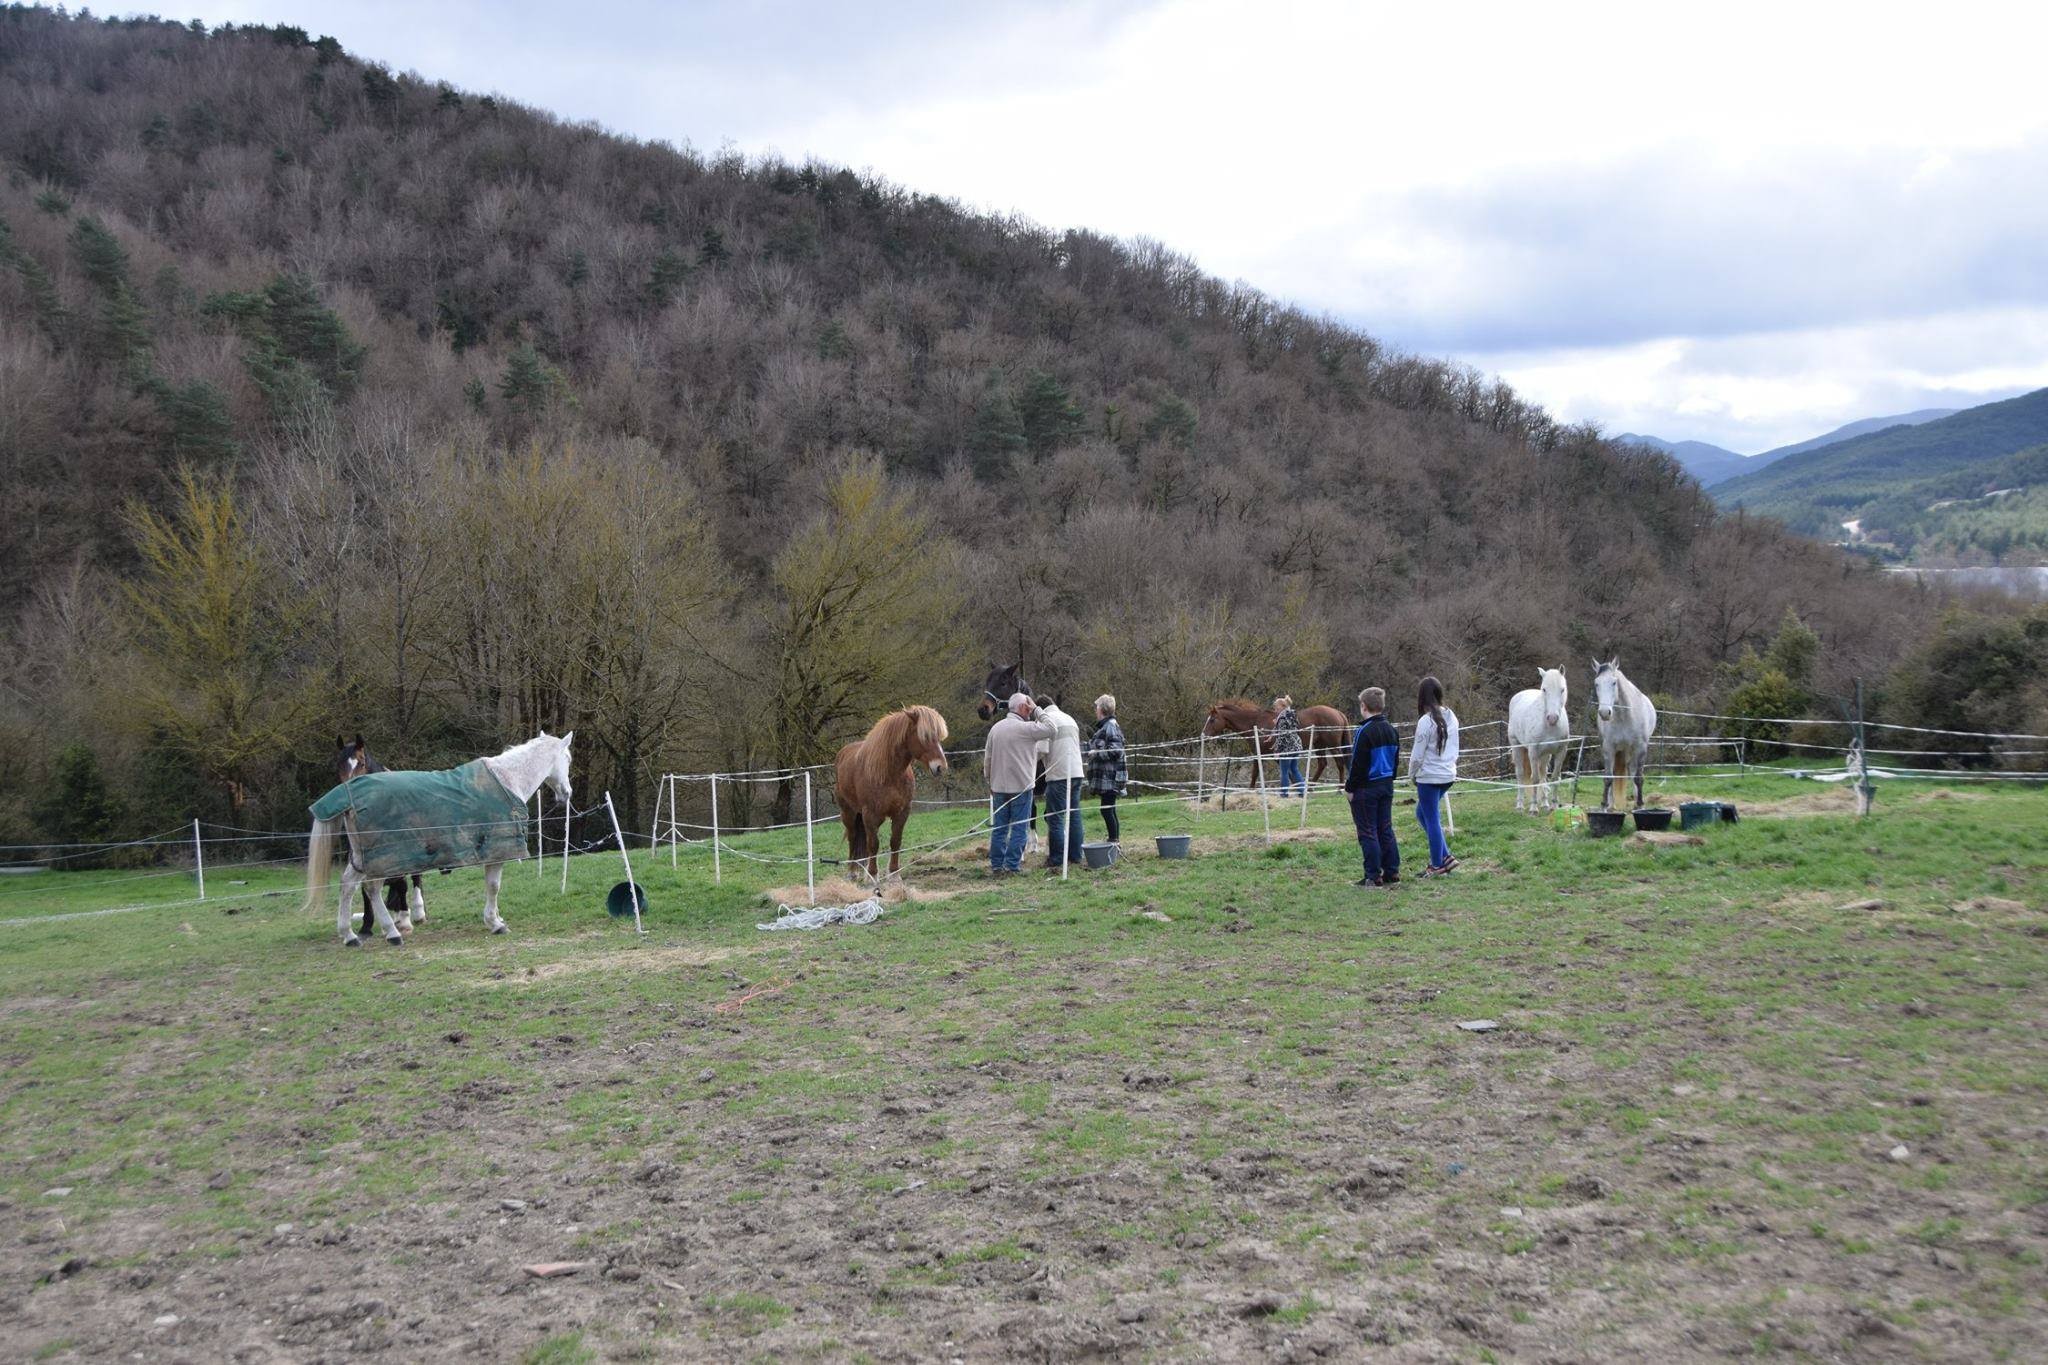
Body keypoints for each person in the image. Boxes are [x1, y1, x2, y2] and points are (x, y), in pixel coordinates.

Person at [986, 693, 1055, 875]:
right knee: (1019, 828)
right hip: (1022, 787)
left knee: (999, 829)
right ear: (1024, 708)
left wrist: (989, 781)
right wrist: (1037, 709)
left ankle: (996, 866)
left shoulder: (995, 729)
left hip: (998, 786)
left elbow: (988, 759)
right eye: (1028, 706)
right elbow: (1051, 728)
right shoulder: (1027, 729)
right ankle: (1012, 866)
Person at [1343, 686, 1401, 887]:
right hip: (1386, 786)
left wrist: (1350, 788)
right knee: (1385, 829)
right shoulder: (1392, 730)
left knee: (1367, 832)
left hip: (1366, 788)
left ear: (1363, 706)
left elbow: (1357, 764)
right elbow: (1395, 761)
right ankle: (1392, 871)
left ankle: (1373, 875)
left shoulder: (1363, 732)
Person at [1408, 675, 1460, 876]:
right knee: (1422, 814)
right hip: (1447, 776)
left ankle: (1436, 865)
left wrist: (1411, 775)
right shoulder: (1452, 716)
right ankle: (1446, 857)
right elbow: (1455, 748)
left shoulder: (1425, 722)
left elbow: (1417, 756)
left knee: (1431, 819)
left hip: (1429, 778)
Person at [1036, 694, 1086, 870]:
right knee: (1074, 815)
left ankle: (1056, 859)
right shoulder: (1070, 718)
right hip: (1077, 772)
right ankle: (1076, 855)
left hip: (1058, 774)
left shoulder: (1046, 721)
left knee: (1056, 817)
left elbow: (1040, 751)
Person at [1086, 694, 1128, 844]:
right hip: (1107, 778)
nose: (1095, 710)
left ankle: (1113, 841)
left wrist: (1096, 754)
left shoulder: (1110, 726)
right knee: (1109, 809)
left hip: (1110, 778)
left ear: (1102, 709)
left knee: (1106, 809)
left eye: (1097, 707)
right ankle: (1114, 840)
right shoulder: (1107, 726)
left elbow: (1116, 751)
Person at [1271, 695, 1304, 796]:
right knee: (1294, 769)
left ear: (1282, 706)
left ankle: (1284, 793)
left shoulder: (1282, 718)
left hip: (1287, 748)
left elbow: (1282, 736)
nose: (1275, 710)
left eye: (1276, 708)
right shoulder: (1293, 714)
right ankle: (1302, 791)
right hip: (1296, 746)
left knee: (1284, 771)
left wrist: (1277, 750)